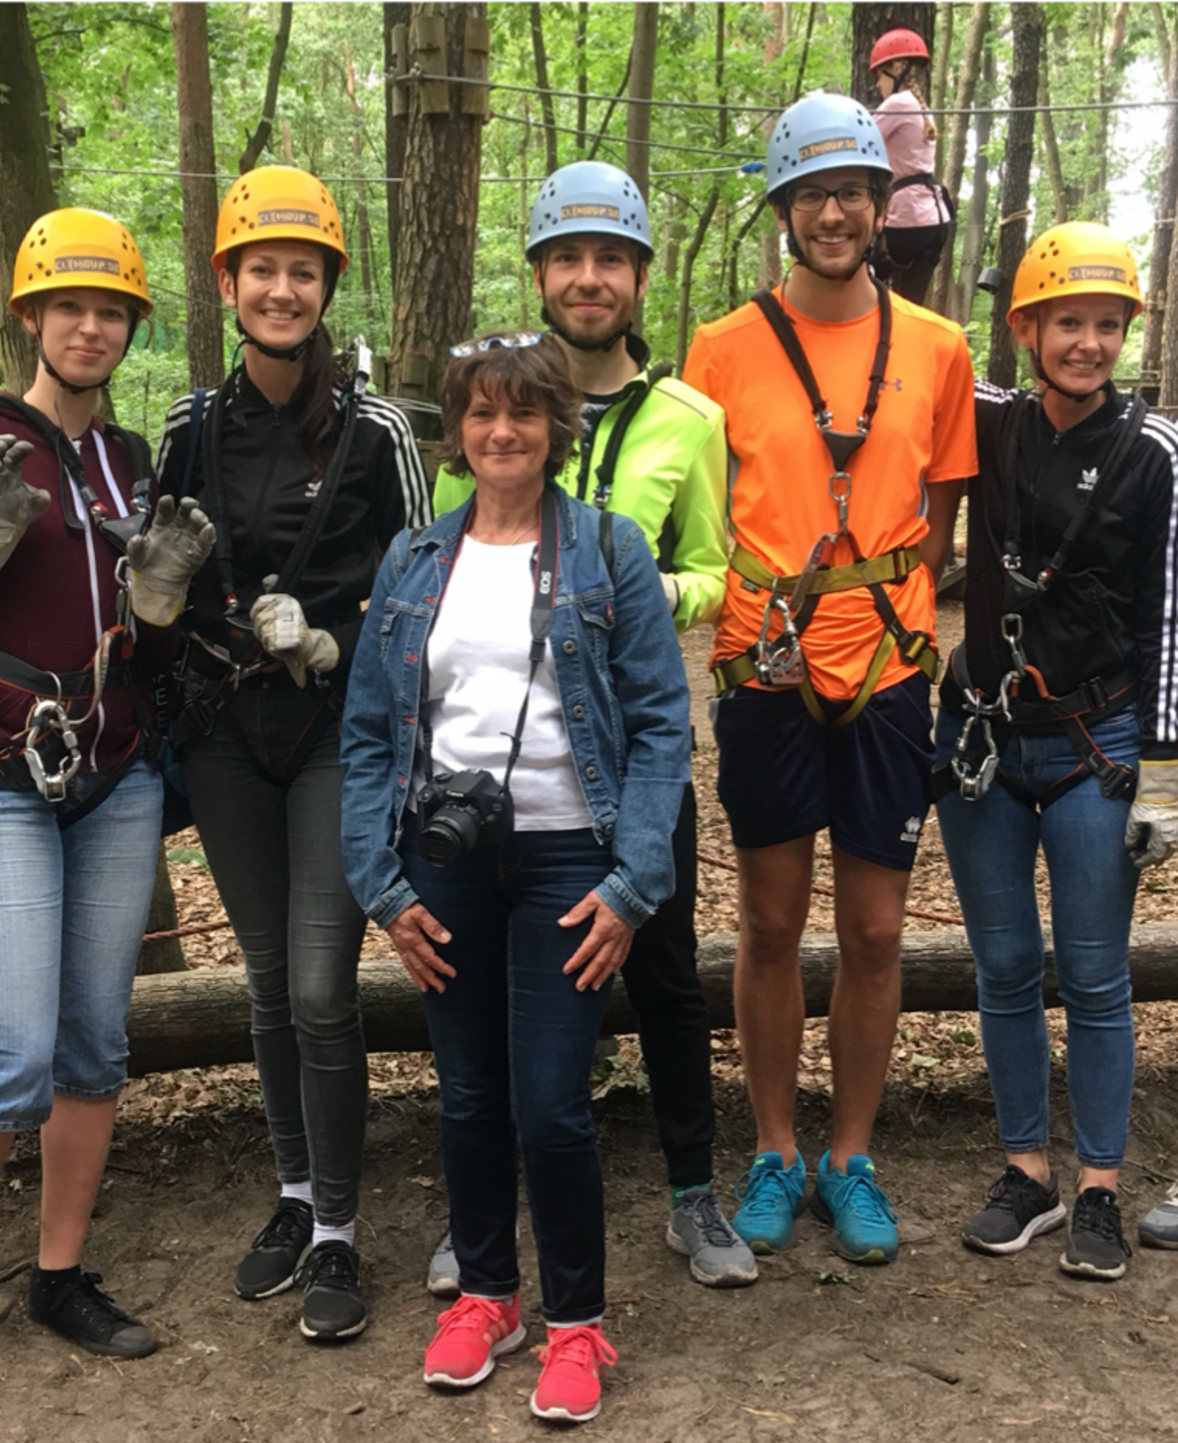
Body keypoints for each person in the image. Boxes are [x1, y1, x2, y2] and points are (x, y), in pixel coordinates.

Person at [0, 208, 214, 1406]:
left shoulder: (129, 458)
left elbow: (149, 654)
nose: (90, 327)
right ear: (29, 314)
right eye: (69, 306)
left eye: (111, 311)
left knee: (92, 1044)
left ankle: (59, 1274)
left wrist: (159, 607)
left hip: (111, 766)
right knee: (12, 1053)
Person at [342, 333, 690, 1424]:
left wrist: (634, 883)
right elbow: (368, 732)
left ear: (554, 426)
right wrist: (381, 883)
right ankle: (486, 1295)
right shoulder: (413, 560)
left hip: (570, 858)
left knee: (549, 1104)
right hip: (446, 863)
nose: (502, 432)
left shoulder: (609, 549)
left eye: (523, 413)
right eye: (481, 413)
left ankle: (575, 1321)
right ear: (456, 429)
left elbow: (661, 723)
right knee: (467, 1092)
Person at [428, 161, 750, 1290]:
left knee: (662, 973)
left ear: (639, 277)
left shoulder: (690, 420)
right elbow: (446, 563)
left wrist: (656, 591)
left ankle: (691, 1189)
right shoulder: (487, 411)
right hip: (503, 767)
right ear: (539, 275)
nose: (587, 278)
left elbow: (719, 568)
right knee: (486, 979)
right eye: (565, 257)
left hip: (633, 750)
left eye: (610, 258)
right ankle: (481, 1208)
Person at [683, 92, 976, 1266]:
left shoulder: (937, 348)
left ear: (878, 204)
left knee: (874, 928)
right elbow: (705, 512)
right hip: (765, 664)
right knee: (766, 922)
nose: (833, 214)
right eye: (810, 196)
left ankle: (849, 1155)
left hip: (886, 666)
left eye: (851, 191)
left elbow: (938, 522)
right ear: (783, 211)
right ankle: (771, 1147)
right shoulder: (720, 349)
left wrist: (879, 607)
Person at [154, 166, 428, 1342]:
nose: (280, 290)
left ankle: (339, 1231)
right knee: (268, 983)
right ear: (226, 284)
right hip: (225, 736)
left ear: (325, 287)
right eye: (259, 269)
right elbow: (161, 576)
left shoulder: (377, 431)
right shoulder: (188, 429)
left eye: (300, 272)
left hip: (334, 737)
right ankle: (296, 1192)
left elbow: (420, 589)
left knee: (321, 988)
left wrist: (334, 644)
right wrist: (154, 601)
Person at [935, 223, 1178, 1280]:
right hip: (984, 738)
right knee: (1001, 966)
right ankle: (1026, 1172)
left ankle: (1098, 1189)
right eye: (1065, 321)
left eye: (1107, 324)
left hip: (1096, 742)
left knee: (1092, 973)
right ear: (1025, 329)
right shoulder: (990, 420)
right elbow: (911, 358)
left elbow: (1170, 620)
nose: (1087, 342)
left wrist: (1163, 778)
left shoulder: (1153, 450)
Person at [867, 28, 952, 307]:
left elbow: (862, 140)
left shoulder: (897, 103)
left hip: (908, 220)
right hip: (935, 223)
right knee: (910, 305)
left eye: (879, 77)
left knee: (860, 281)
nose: (878, 86)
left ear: (895, 69)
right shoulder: (920, 107)